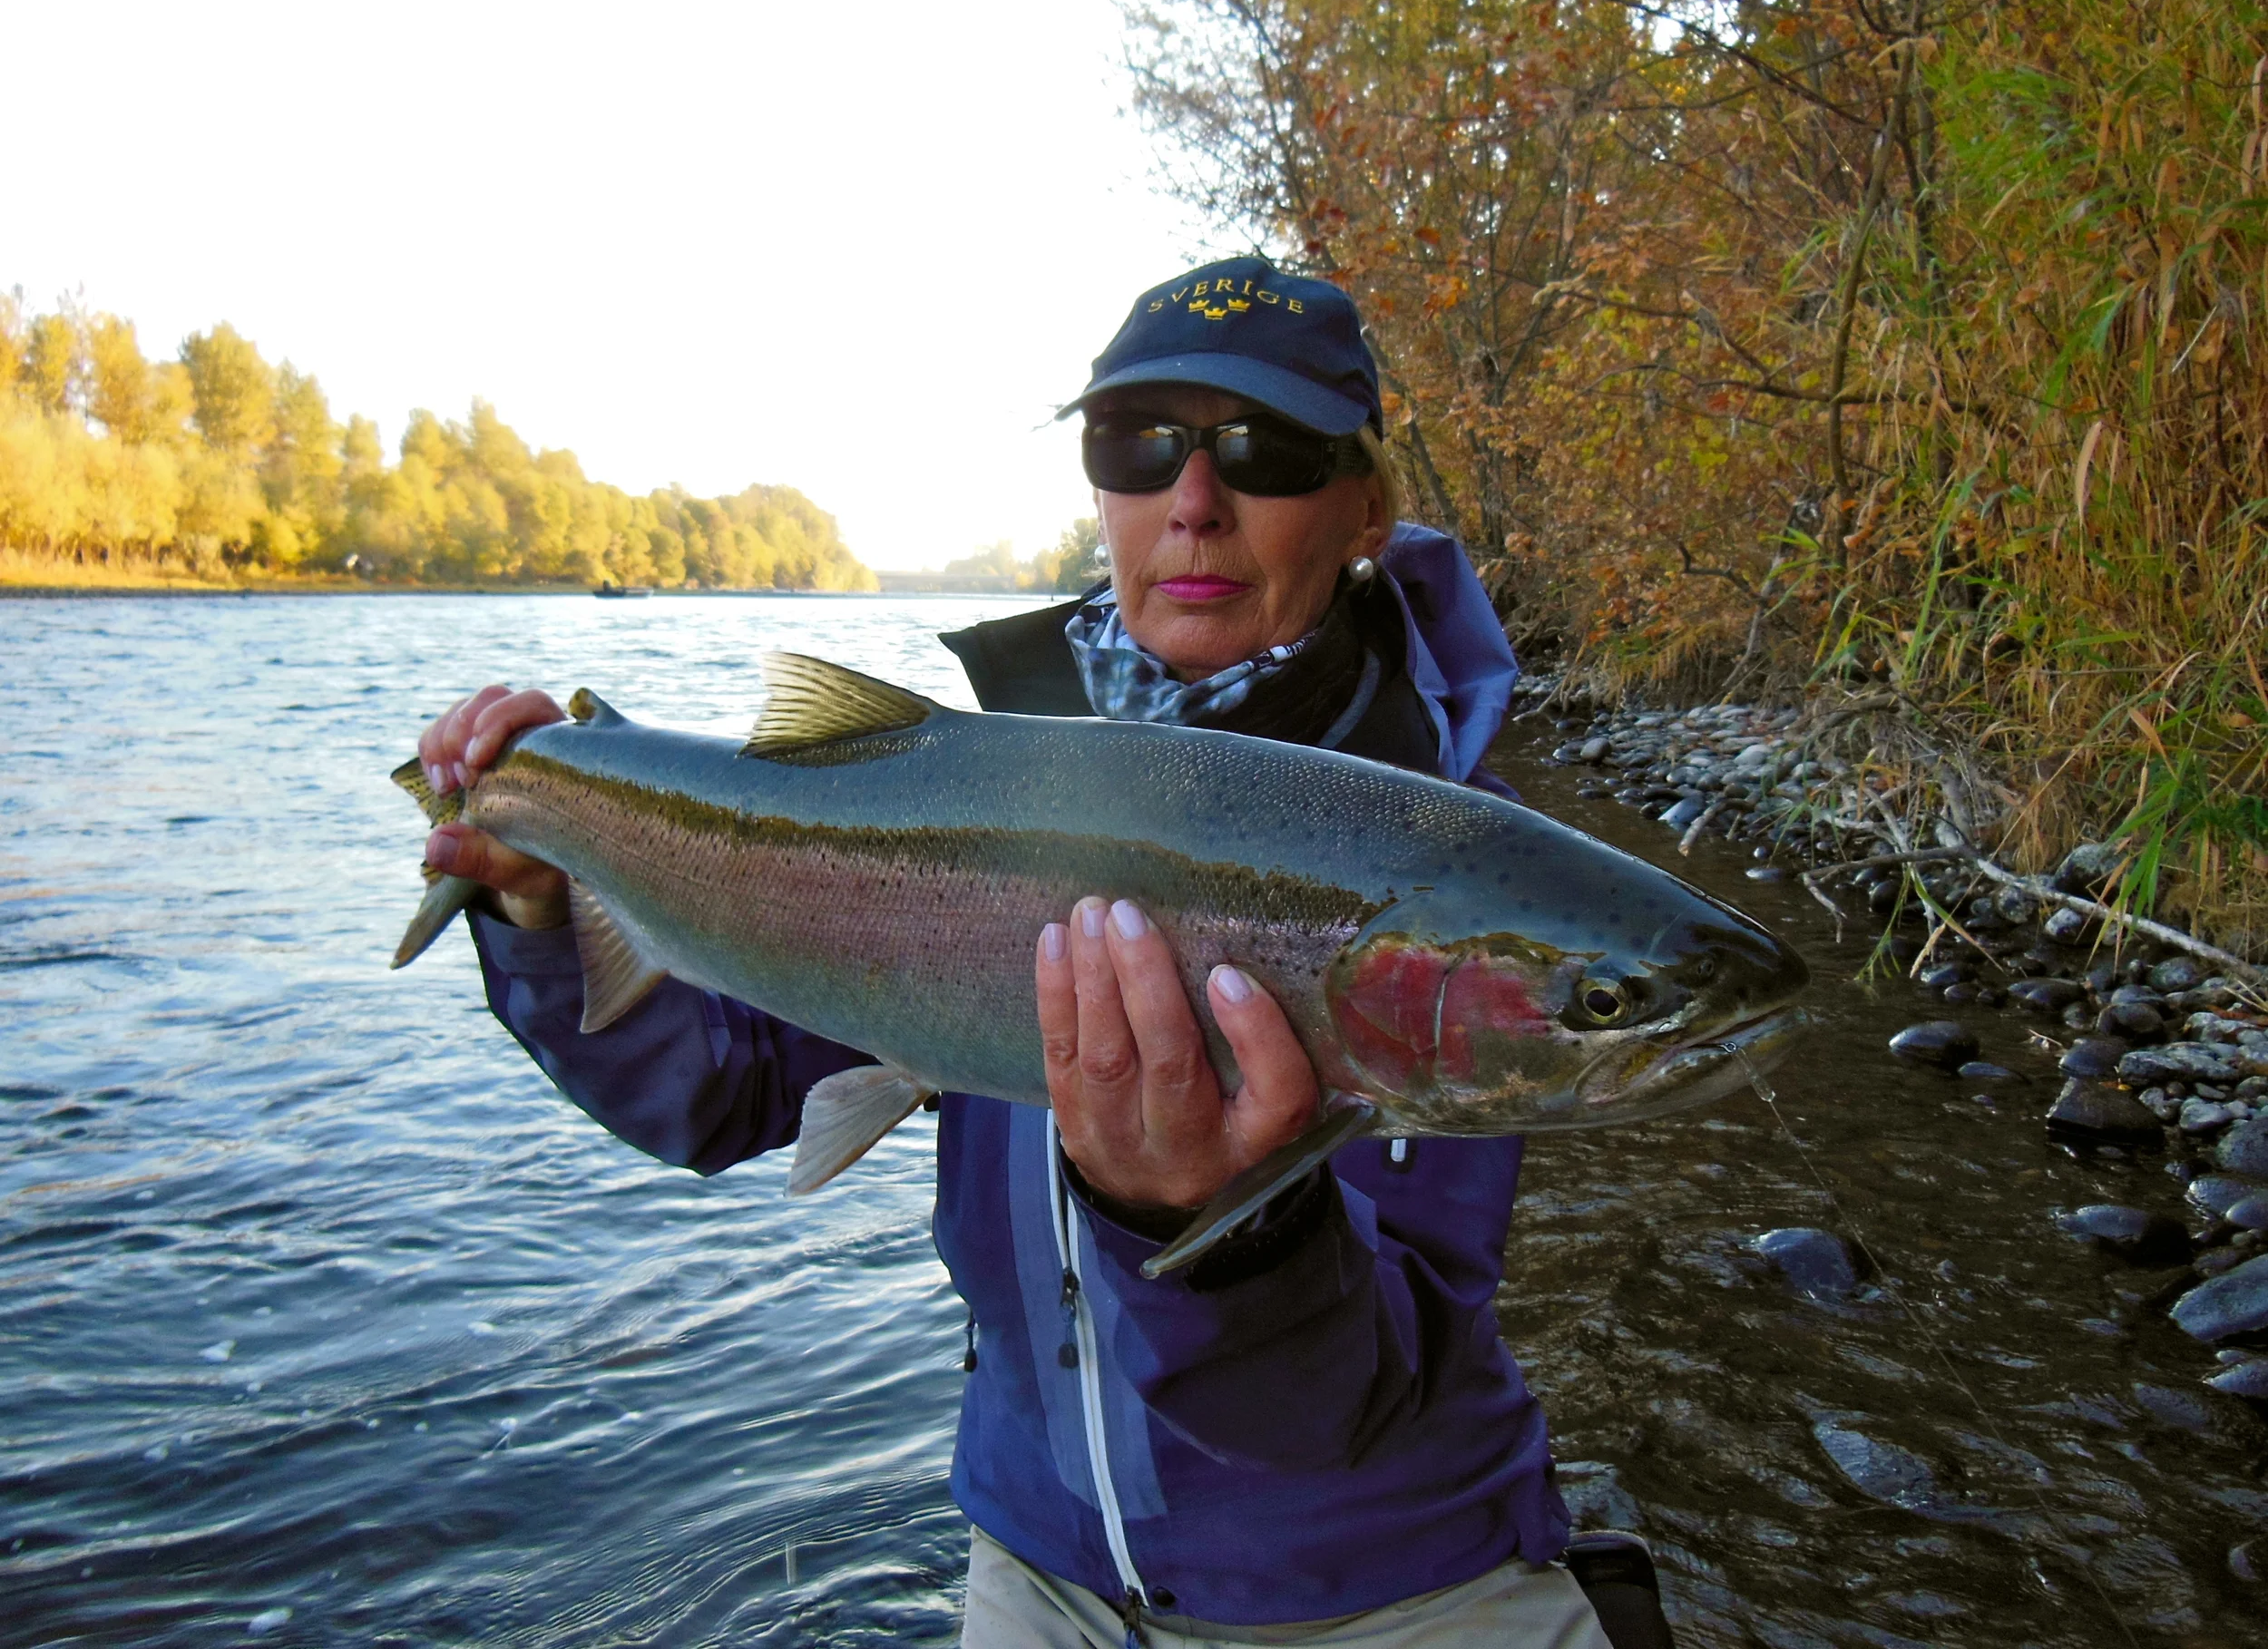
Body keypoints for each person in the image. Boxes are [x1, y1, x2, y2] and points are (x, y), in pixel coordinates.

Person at [417, 259, 1637, 1647]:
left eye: (1264, 449)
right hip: (1038, 1566)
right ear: (1099, 488)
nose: (1193, 499)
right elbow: (717, 1092)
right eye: (1138, 445)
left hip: (1400, 1579)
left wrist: (1207, 1228)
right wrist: (538, 900)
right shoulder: (955, 778)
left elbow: (1353, 1401)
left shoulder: (1454, 867)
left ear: (1367, 510)